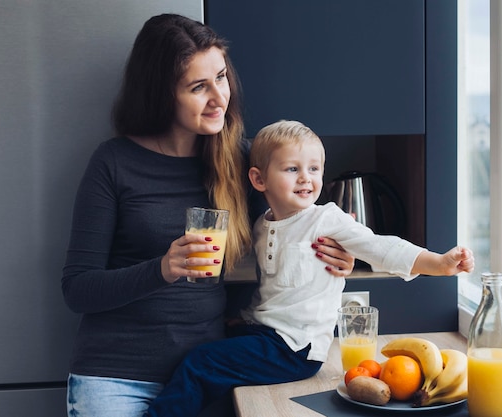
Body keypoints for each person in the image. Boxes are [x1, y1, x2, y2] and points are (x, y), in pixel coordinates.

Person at [61, 16, 354, 417]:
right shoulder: (114, 163)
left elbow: (295, 228)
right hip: (116, 378)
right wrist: (162, 269)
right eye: (199, 87)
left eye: (221, 77)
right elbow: (78, 289)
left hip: (209, 377)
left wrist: (335, 256)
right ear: (162, 95)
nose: (220, 97)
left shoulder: (244, 162)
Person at [144, 120, 475, 417]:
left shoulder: (326, 218)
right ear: (259, 179)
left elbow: (382, 247)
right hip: (265, 332)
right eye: (292, 169)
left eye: (315, 169)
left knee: (200, 362)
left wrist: (440, 263)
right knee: (203, 342)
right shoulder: (262, 225)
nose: (306, 178)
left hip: (295, 347)